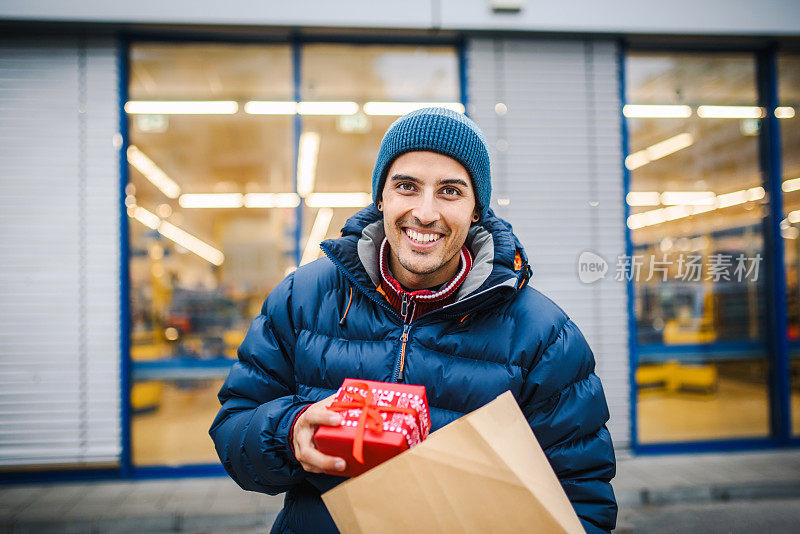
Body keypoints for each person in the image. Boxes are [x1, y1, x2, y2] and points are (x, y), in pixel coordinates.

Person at [210, 107, 617, 533]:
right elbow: (234, 426)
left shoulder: (545, 337)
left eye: (450, 191)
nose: (425, 212)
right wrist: (288, 433)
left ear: (476, 209)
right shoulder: (301, 299)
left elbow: (582, 499)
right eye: (407, 186)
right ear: (381, 197)